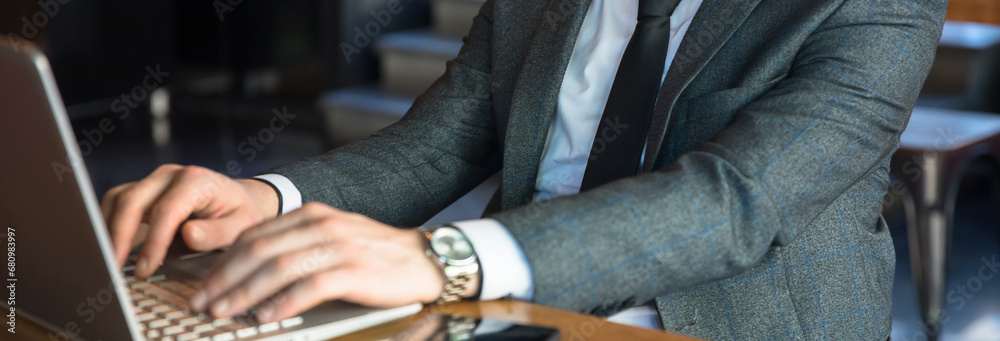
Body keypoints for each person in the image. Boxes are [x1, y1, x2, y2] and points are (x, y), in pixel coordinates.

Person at [101, 0, 946, 339]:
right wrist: (265, 196)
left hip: (728, 319)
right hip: (514, 302)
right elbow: (442, 141)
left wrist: (446, 257)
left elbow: (735, 202)